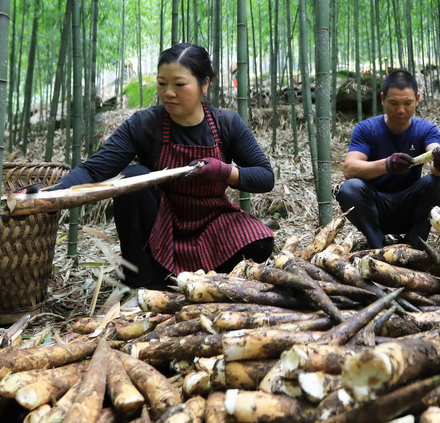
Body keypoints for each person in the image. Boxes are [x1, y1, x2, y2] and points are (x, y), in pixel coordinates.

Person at [54, 43, 275, 288]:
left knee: (259, 244)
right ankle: (145, 284)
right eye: (162, 84)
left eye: (179, 85)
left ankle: (195, 279)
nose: (168, 92)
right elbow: (94, 170)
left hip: (212, 222)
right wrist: (51, 192)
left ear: (205, 85)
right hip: (160, 224)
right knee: (132, 177)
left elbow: (264, 176)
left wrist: (223, 171)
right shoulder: (144, 124)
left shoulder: (226, 123)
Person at [336, 69, 440, 249]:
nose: (401, 110)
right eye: (393, 103)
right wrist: (387, 165)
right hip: (376, 206)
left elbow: (434, 157)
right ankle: (376, 243)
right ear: (382, 99)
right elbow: (349, 169)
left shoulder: (426, 129)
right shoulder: (366, 129)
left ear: (417, 99)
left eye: (408, 103)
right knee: (350, 189)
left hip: (410, 206)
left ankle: (416, 242)